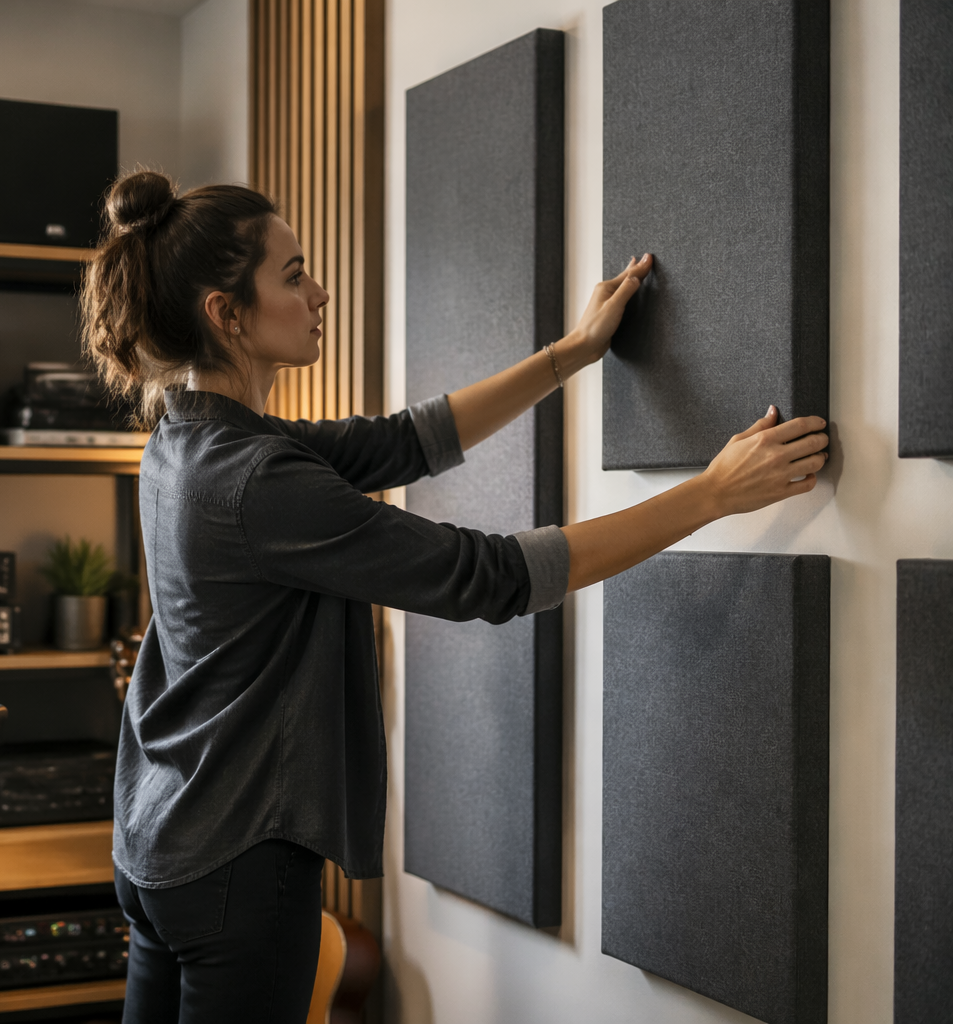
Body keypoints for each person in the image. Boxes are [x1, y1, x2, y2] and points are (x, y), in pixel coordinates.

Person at [80, 170, 828, 1024]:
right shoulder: (256, 479)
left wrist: (572, 353)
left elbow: (405, 441)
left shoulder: (187, 439)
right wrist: (712, 493)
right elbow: (492, 576)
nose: (318, 292)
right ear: (227, 313)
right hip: (235, 864)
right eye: (292, 277)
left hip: (155, 838)